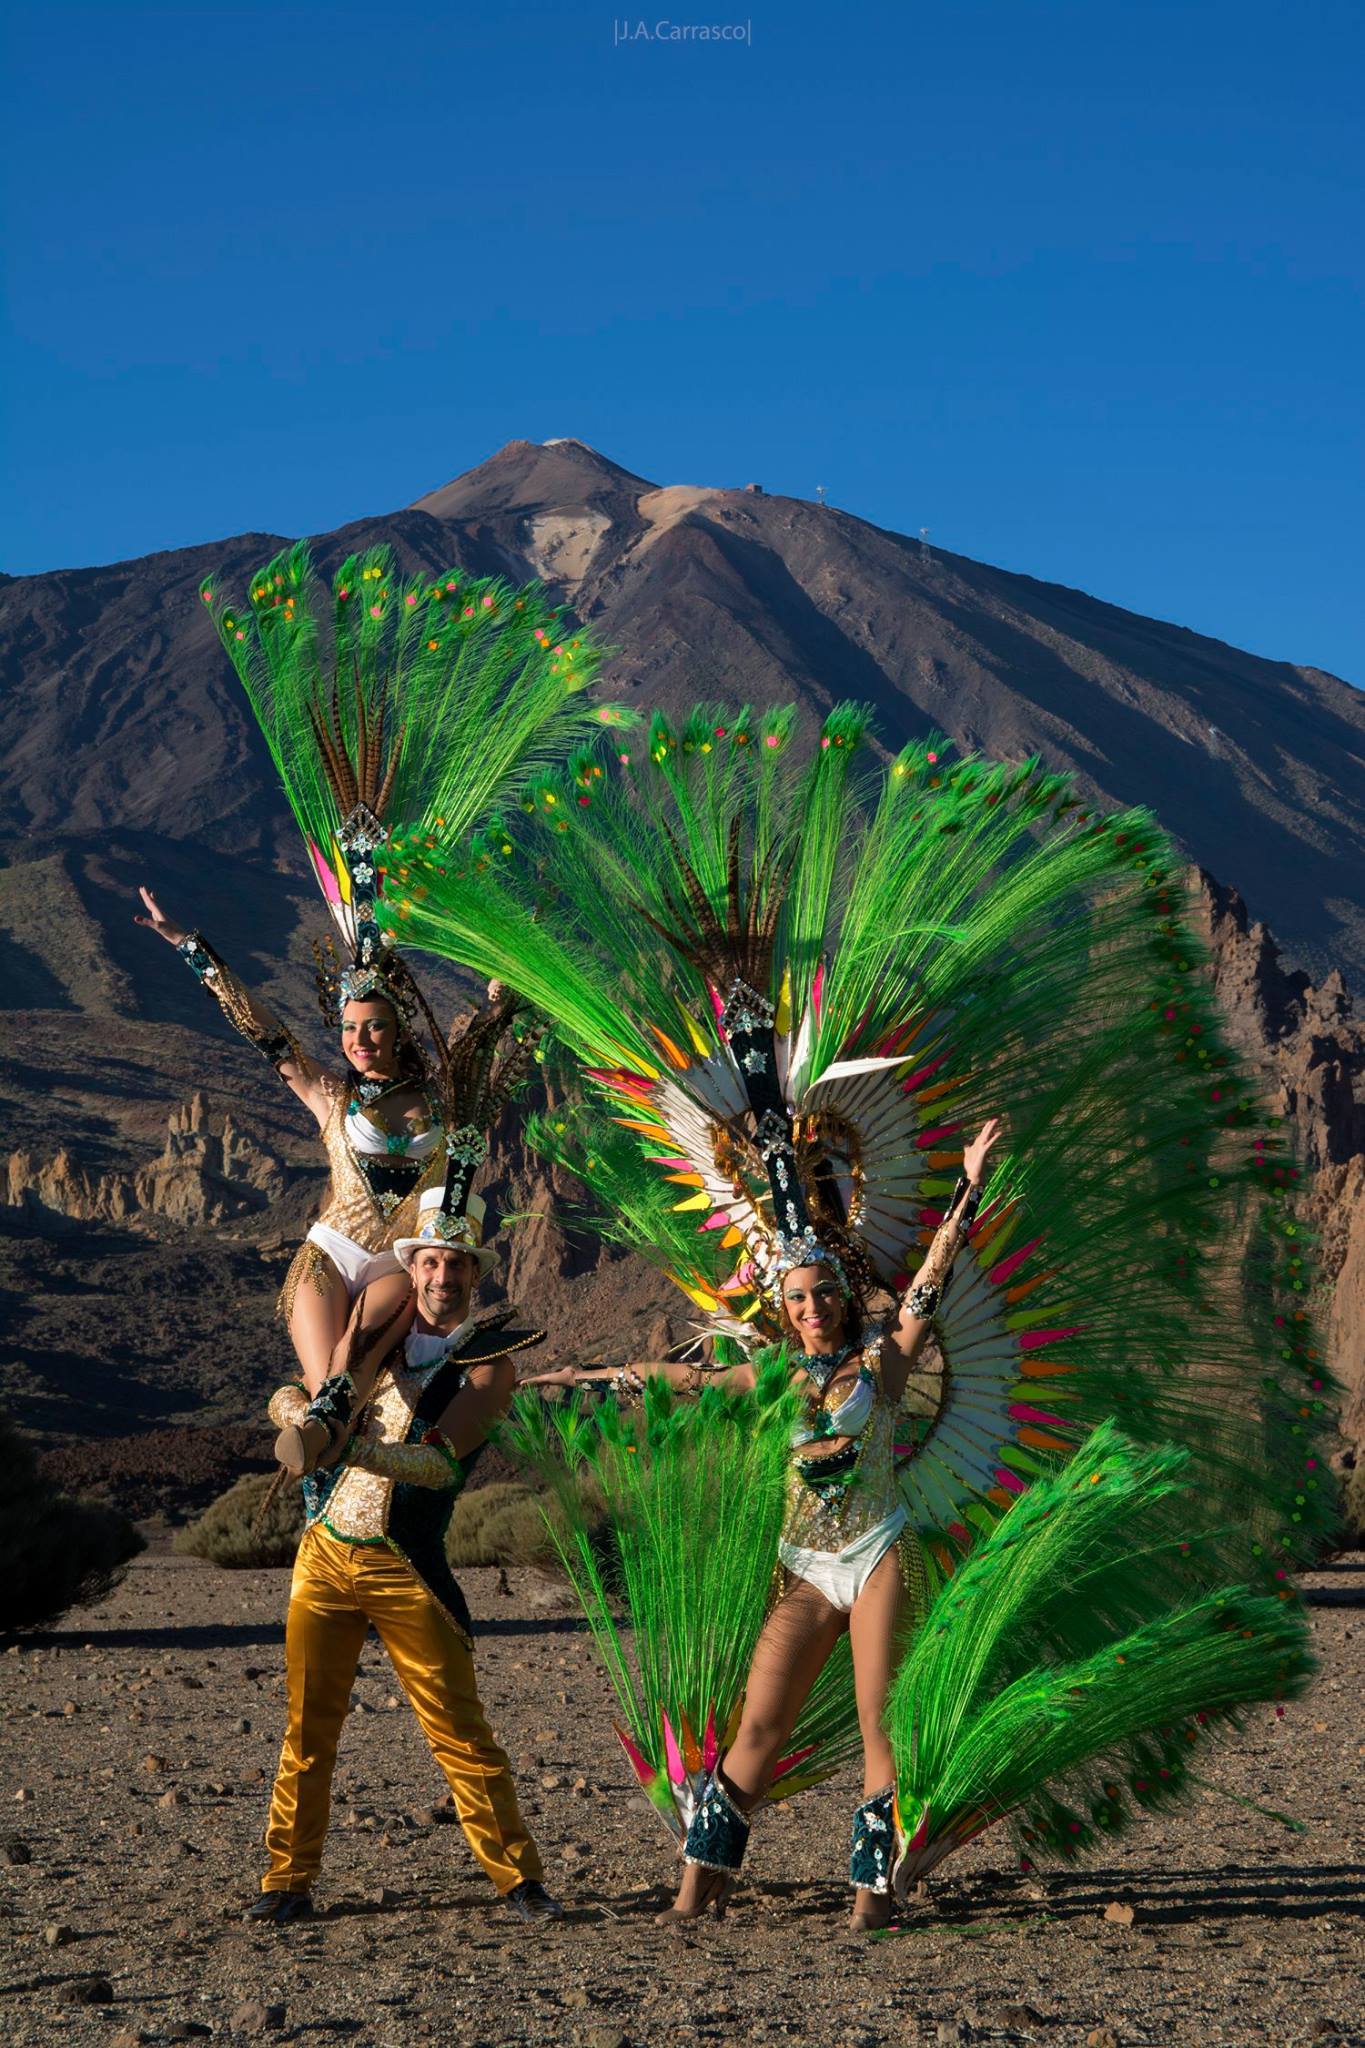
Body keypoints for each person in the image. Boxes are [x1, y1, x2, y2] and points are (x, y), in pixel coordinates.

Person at [137, 538, 607, 1388]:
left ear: (397, 1027)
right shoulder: (326, 1095)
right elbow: (261, 1030)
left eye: (372, 1027)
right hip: (327, 1250)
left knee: (351, 1379)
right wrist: (192, 950)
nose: (357, 1042)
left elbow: (501, 1026)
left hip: (398, 1266)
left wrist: (524, 969)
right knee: (325, 1389)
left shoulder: (445, 1097)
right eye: (349, 1029)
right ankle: (318, 1430)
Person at [534, 1122, 1000, 1928]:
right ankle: (694, 1897)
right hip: (804, 1567)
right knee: (756, 1725)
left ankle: (870, 1904)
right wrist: (586, 1375)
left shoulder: (883, 1361)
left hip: (878, 1550)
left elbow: (929, 1278)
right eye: (796, 1298)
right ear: (781, 1310)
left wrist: (965, 1190)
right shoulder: (768, 1375)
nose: (813, 1308)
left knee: (878, 1727)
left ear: (841, 1297)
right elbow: (677, 1379)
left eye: (822, 1293)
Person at [254, 1179, 561, 1926]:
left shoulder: (490, 1362)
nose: (442, 1278)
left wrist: (352, 1444)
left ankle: (518, 1879)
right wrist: (300, 1416)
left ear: (476, 1277)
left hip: (406, 1568)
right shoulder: (370, 1335)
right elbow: (288, 1392)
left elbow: (441, 1462)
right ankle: (286, 1879)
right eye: (430, 1262)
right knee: (307, 1724)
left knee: (458, 1729)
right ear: (412, 1266)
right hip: (324, 1553)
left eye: (458, 1266)